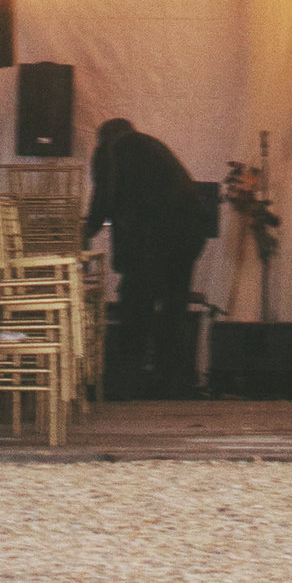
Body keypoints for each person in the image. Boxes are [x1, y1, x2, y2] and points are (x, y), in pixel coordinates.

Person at [86, 117, 212, 396]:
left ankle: (126, 383)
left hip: (153, 238)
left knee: (136, 307)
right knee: (173, 308)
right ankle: (172, 381)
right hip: (189, 232)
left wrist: (85, 230)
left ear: (104, 137)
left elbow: (103, 198)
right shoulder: (155, 146)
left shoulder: (110, 150)